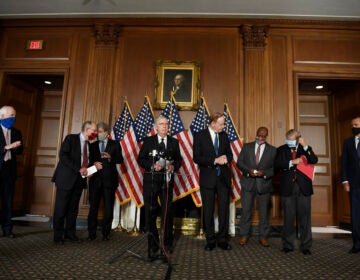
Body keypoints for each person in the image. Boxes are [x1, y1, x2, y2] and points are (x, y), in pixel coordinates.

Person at [138, 115, 181, 260]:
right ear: (156, 127)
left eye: (166, 124)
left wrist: (172, 166)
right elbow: (141, 158)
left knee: (167, 213)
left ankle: (166, 244)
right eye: (161, 124)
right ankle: (153, 244)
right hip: (151, 181)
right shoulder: (149, 141)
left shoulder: (174, 142)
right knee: (150, 213)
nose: (164, 126)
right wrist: (151, 166)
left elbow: (179, 161)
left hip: (166, 183)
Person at [52, 121, 97, 244]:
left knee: (73, 209)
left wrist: (90, 171)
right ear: (87, 130)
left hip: (79, 181)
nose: (95, 133)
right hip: (66, 179)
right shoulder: (71, 139)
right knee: (61, 208)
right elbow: (63, 156)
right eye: (94, 130)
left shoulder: (89, 144)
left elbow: (86, 163)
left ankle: (70, 234)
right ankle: (58, 236)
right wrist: (79, 168)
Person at [193, 112, 233, 251]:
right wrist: (215, 160)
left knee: (223, 210)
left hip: (223, 178)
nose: (224, 126)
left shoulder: (224, 135)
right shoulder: (200, 136)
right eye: (221, 124)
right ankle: (210, 240)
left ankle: (222, 239)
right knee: (208, 210)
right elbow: (196, 157)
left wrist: (226, 158)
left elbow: (230, 154)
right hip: (208, 178)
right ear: (213, 123)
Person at [275, 129, 318, 255]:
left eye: (292, 139)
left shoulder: (305, 148)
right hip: (287, 188)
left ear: (299, 139)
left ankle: (306, 246)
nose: (289, 141)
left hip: (303, 188)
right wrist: (291, 162)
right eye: (287, 139)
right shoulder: (281, 149)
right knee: (288, 218)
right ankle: (288, 244)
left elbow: (314, 160)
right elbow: (276, 166)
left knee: (304, 218)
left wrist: (305, 146)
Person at [236, 127, 277, 247]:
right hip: (248, 183)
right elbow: (240, 162)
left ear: (267, 136)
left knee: (264, 213)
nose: (261, 138)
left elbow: (275, 168)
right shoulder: (247, 147)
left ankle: (263, 237)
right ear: (256, 134)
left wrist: (264, 173)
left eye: (264, 136)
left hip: (264, 185)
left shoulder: (273, 150)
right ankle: (244, 235)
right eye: (259, 135)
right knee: (246, 211)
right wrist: (248, 171)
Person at [87, 122, 123, 241]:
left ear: (107, 133)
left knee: (108, 208)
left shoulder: (115, 144)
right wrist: (93, 165)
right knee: (93, 208)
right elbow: (88, 164)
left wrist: (111, 158)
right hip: (95, 182)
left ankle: (106, 233)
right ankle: (91, 233)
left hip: (109, 181)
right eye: (98, 131)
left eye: (101, 131)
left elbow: (120, 159)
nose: (99, 134)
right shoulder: (92, 145)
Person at [0, 106, 23, 238]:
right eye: (10, 115)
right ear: (2, 116)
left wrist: (14, 148)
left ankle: (8, 229)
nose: (13, 118)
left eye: (14, 115)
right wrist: (7, 147)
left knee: (8, 201)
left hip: (9, 170)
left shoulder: (16, 132)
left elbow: (20, 150)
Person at [341, 116, 360, 254]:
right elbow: (344, 163)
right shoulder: (347, 142)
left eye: (356, 124)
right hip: (354, 184)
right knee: (355, 215)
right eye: (352, 125)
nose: (354, 127)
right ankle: (356, 244)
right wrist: (345, 180)